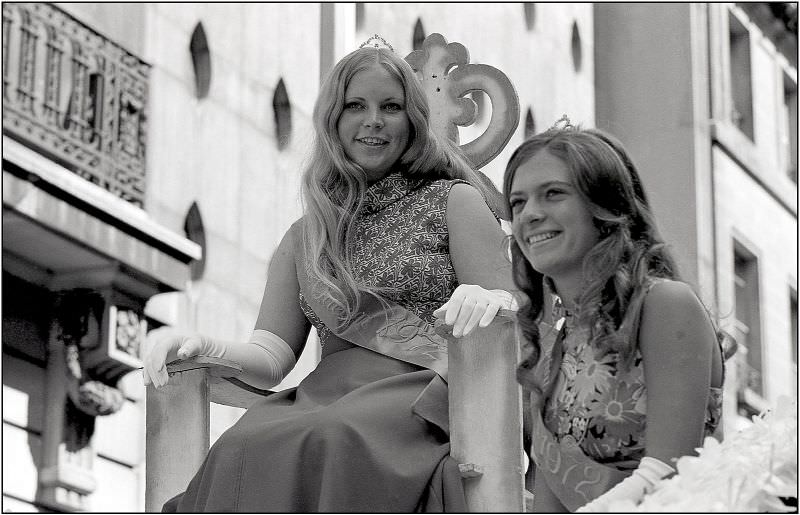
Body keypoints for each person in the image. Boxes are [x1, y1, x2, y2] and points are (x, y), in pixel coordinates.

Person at [143, 39, 517, 512]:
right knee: (240, 446)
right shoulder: (307, 233)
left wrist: (489, 301)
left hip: (418, 393)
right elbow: (272, 354)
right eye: (355, 106)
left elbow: (510, 319)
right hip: (322, 395)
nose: (373, 120)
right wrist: (203, 347)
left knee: (332, 436)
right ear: (333, 121)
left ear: (414, 120)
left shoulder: (454, 200)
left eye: (391, 107)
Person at [504, 121, 725, 512]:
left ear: (605, 208)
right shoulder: (555, 346)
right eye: (518, 202)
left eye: (553, 194)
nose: (530, 215)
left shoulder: (664, 304)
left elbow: (667, 472)